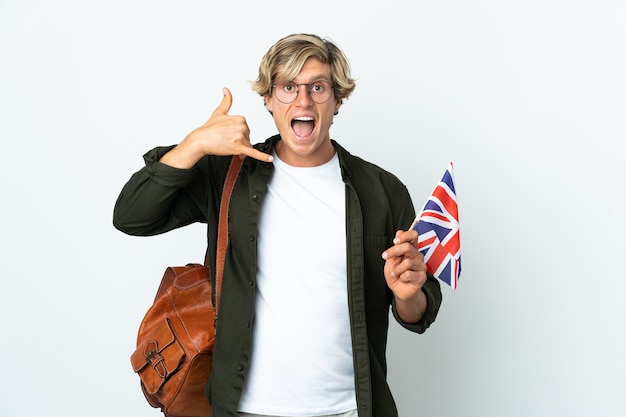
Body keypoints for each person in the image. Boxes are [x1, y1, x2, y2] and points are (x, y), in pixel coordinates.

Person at [113, 33, 442, 417]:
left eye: (318, 87)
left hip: (350, 409)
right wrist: (195, 144)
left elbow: (419, 311)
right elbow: (132, 216)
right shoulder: (229, 175)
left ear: (337, 100)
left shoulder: (382, 191)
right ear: (268, 99)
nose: (303, 100)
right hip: (245, 409)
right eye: (288, 87)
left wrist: (406, 296)